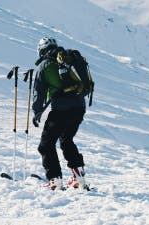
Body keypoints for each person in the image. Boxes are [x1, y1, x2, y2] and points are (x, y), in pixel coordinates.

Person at [32, 36, 88, 190]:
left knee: (46, 144)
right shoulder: (69, 60)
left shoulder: (45, 65)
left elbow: (39, 92)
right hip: (79, 107)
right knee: (66, 140)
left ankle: (54, 180)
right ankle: (79, 178)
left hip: (61, 109)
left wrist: (36, 112)